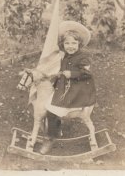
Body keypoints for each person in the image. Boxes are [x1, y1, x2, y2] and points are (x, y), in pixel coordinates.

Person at [40, 21, 96, 154]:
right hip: (66, 87)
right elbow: (62, 69)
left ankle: (50, 139)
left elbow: (87, 74)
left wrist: (72, 74)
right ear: (63, 45)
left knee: (52, 111)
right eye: (67, 43)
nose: (70, 46)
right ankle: (55, 130)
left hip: (78, 90)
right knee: (50, 105)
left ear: (79, 44)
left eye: (74, 43)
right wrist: (57, 76)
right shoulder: (65, 56)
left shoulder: (83, 58)